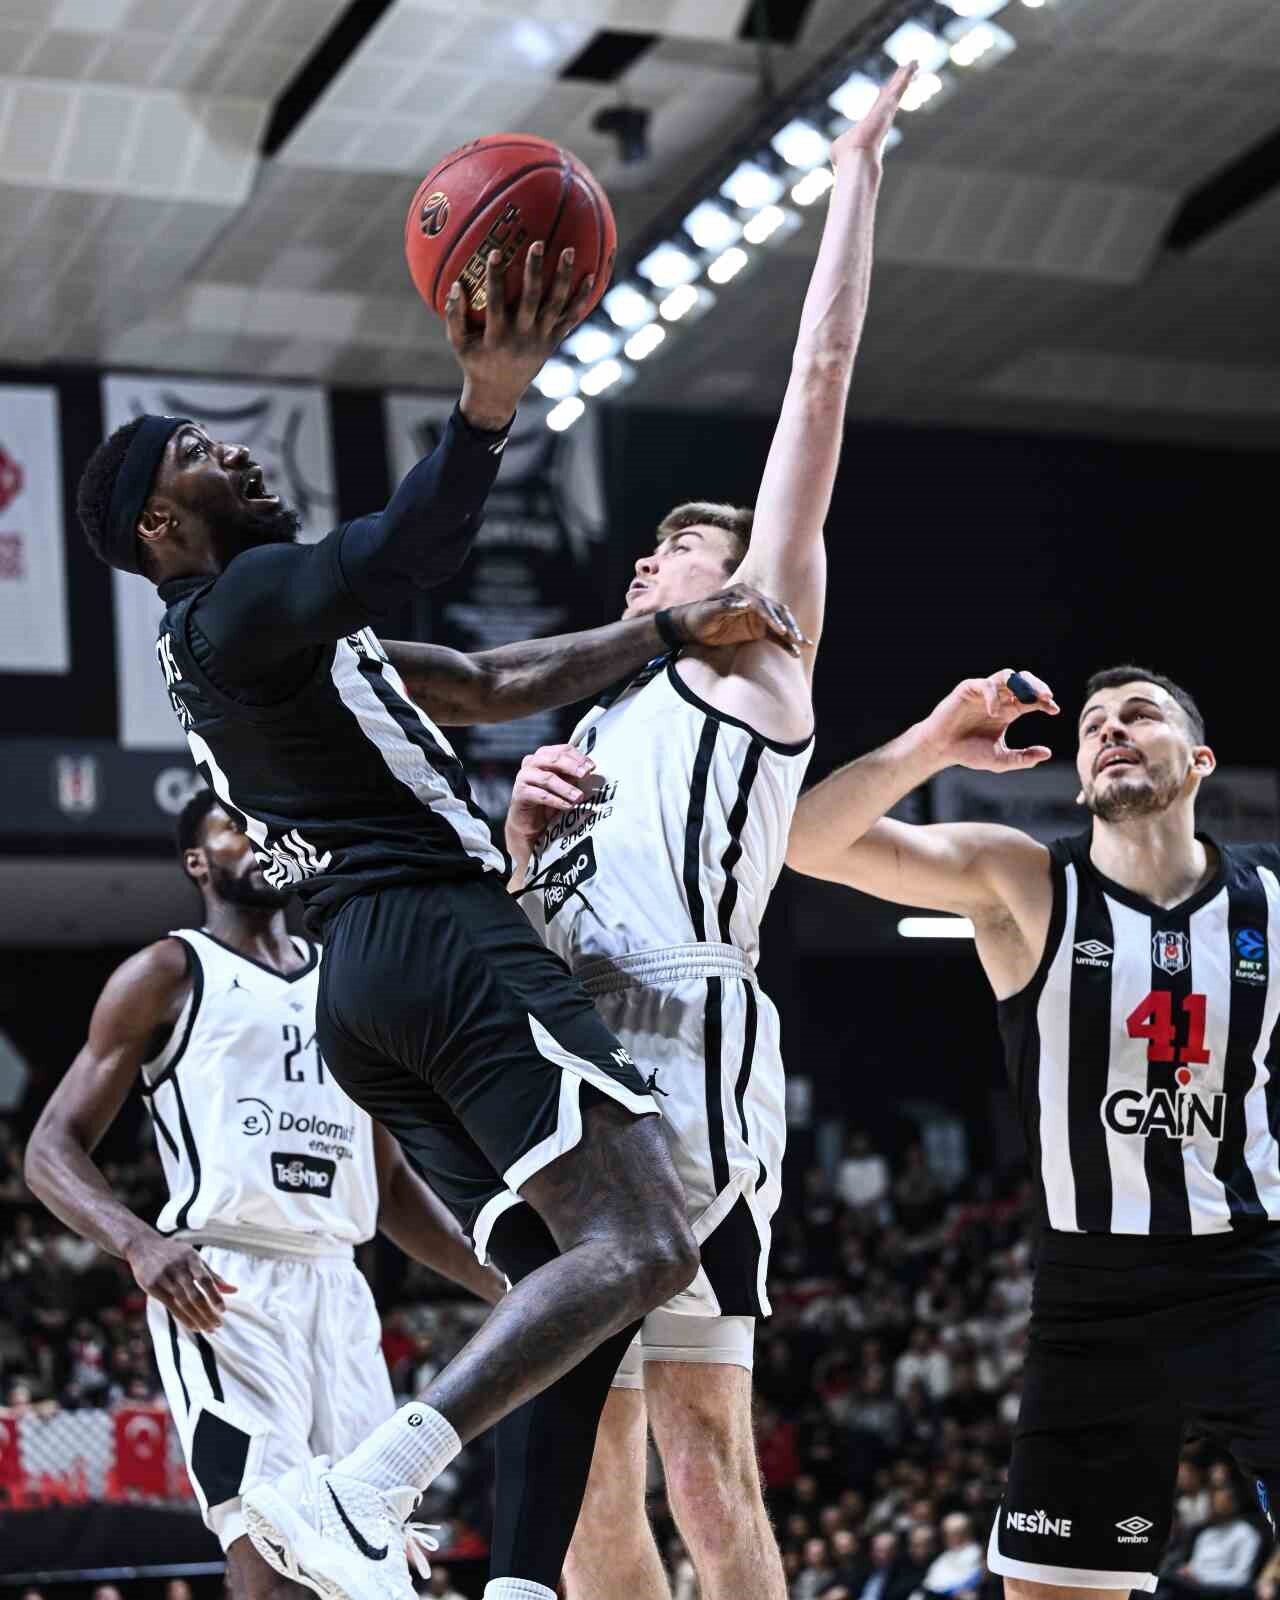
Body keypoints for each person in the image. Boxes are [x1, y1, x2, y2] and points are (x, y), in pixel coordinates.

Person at [73, 243, 803, 1600]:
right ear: (161, 528)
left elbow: (482, 678)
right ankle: (367, 1490)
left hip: (366, 992)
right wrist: (486, 403)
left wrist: (666, 633)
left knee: (576, 1302)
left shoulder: (263, 646)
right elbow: (406, 551)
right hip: (442, 938)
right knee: (645, 1246)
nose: (234, 454)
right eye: (196, 455)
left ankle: (518, 1586)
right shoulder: (239, 602)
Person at [501, 65, 915, 1600]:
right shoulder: (596, 730)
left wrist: (854, 174)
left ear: (738, 582)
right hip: (574, 1061)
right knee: (585, 1466)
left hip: (689, 1056)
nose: (646, 566)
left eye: (679, 550)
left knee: (700, 1456)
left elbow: (820, 380)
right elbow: (522, 927)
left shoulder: (753, 663)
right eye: (649, 551)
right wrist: (516, 840)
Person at [787, 662, 1280, 1597]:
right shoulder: (1023, 879)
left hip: (1254, 1271)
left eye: (1140, 715)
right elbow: (805, 842)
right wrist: (933, 743)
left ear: (1200, 760)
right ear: (1081, 774)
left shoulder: (1272, 899)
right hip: (1093, 1293)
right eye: (1093, 724)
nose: (1110, 730)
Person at [25, 788, 505, 1600]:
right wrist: (139, 1243)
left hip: (339, 1287)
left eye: (264, 824)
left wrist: (505, 1285)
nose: (256, 838)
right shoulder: (167, 972)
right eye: (231, 827)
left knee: (369, 1563)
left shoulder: (346, 980)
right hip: (224, 1287)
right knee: (270, 1559)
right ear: (196, 861)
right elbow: (48, 1150)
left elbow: (388, 1185)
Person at [1164, 1485, 1263, 1598]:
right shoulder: (1206, 1534)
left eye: (1222, 1502)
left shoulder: (1246, 1534)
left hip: (1220, 1592)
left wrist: (1200, 1577)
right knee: (1162, 1581)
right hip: (1191, 1588)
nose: (1216, 1506)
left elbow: (1241, 1578)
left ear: (1233, 1504)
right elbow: (1195, 1566)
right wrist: (1187, 1570)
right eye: (1213, 1502)